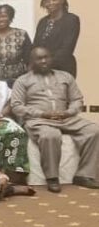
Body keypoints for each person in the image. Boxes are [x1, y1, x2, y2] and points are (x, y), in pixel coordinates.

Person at [11, 47, 99, 192]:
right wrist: (42, 114)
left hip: (65, 118)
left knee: (94, 130)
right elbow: (17, 106)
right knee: (51, 135)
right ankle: (52, 177)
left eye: (46, 57)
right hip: (38, 120)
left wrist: (68, 112)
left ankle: (84, 175)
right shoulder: (23, 80)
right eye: (39, 58)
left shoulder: (65, 76)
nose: (44, 61)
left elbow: (77, 99)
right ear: (32, 62)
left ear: (51, 58)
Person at [33, 0, 80, 77]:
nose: (50, 3)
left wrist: (46, 64)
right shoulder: (43, 22)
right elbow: (36, 46)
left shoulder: (71, 19)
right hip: (42, 71)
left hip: (63, 69)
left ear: (62, 0)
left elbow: (67, 48)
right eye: (47, 0)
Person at [0, 4, 32, 87]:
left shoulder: (21, 34)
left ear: (11, 17)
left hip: (17, 80)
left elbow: (29, 59)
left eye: (4, 16)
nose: (1, 19)